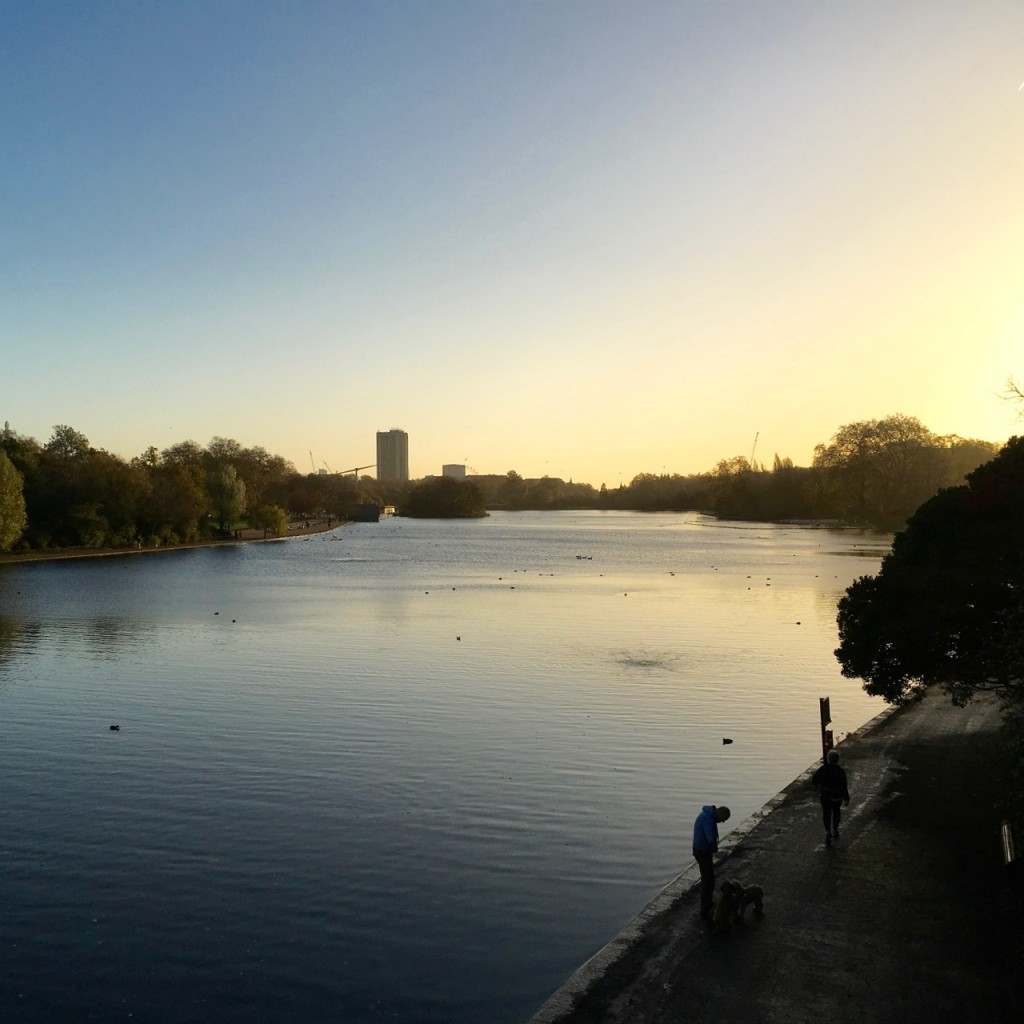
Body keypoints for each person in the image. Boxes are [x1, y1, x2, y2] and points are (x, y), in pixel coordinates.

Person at [692, 804, 731, 925]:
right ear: (720, 813)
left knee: (709, 879)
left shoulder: (708, 815)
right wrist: (714, 847)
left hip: (701, 850)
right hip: (702, 851)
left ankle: (708, 904)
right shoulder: (708, 818)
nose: (722, 822)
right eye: (723, 819)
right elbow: (710, 838)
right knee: (707, 880)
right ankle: (705, 910)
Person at [812, 748, 850, 846]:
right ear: (837, 760)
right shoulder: (840, 771)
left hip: (825, 796)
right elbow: (844, 785)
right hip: (837, 796)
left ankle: (828, 832)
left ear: (828, 759)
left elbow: (814, 781)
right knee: (836, 811)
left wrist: (820, 786)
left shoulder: (823, 769)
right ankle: (835, 829)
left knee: (826, 813)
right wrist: (846, 798)